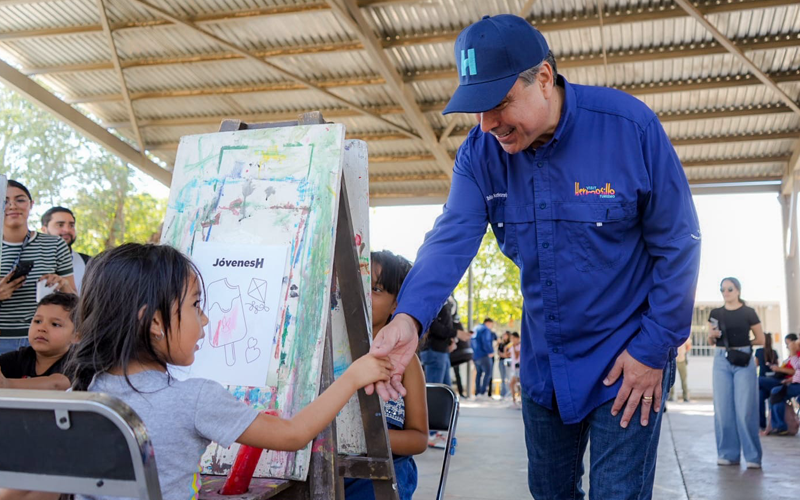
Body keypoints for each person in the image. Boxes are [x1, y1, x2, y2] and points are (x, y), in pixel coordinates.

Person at [367, 14, 701, 498]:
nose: (487, 125)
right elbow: (451, 237)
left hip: (627, 361)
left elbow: (679, 244)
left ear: (544, 78)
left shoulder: (630, 129)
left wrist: (653, 350)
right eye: (477, 109)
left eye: (499, 104)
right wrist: (408, 317)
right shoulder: (480, 153)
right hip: (546, 365)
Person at [65, 243, 393, 498]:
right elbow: (293, 434)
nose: (206, 319)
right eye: (196, 305)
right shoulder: (193, 398)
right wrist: (352, 376)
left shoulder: (79, 395)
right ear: (154, 323)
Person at [346, 250, 427, 499]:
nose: (364, 294)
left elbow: (419, 439)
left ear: (397, 304)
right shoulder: (324, 352)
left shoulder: (406, 362)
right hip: (330, 465)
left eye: (377, 289)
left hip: (383, 471)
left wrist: (361, 438)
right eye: (359, 284)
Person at [0, 181, 75, 355]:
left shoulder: (55, 245)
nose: (12, 206)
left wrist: (63, 285)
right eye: (4, 201)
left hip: (42, 342)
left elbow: (74, 300)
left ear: (31, 204)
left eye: (20, 200)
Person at [707, 277, 765, 468]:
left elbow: (760, 339)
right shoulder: (715, 313)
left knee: (745, 409)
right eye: (722, 289)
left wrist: (743, 345)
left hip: (743, 358)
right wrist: (711, 336)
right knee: (723, 409)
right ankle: (727, 453)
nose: (726, 292)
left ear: (738, 290)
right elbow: (710, 340)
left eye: (730, 289)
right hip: (720, 359)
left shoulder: (748, 312)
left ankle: (752, 457)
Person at [0, 292, 76, 391]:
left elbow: (57, 384)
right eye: (37, 321)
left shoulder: (78, 361)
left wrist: (7, 384)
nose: (42, 328)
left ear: (77, 335)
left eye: (55, 324)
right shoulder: (19, 358)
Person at [41, 206, 92, 294]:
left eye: (71, 225)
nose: (67, 230)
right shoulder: (34, 261)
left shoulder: (89, 263)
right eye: (60, 225)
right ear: (44, 230)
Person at [766, 336, 799, 435]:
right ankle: (776, 426)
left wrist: (793, 354)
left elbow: (796, 367)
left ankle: (780, 426)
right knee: (772, 392)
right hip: (792, 381)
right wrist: (790, 379)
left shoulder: (795, 354)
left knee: (775, 392)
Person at [755, 333, 781, 431]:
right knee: (760, 397)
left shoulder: (758, 351)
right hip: (772, 381)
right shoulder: (774, 352)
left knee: (756, 381)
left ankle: (762, 424)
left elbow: (755, 365)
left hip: (763, 381)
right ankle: (766, 426)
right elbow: (778, 366)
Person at [470, 318, 494, 399]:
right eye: (491, 324)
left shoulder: (476, 328)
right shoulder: (485, 330)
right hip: (484, 355)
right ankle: (483, 393)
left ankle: (478, 393)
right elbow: (486, 341)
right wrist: (490, 351)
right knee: (488, 373)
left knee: (479, 374)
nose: (491, 326)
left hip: (475, 355)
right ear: (488, 323)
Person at [669, 337, 692, 402]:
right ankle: (671, 396)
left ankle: (685, 397)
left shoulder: (684, 335)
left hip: (682, 360)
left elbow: (689, 346)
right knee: (671, 379)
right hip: (673, 359)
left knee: (684, 379)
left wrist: (684, 352)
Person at [506, 332, 522, 405]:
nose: (512, 340)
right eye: (511, 338)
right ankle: (514, 400)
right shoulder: (512, 346)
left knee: (518, 384)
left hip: (519, 367)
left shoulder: (519, 346)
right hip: (514, 367)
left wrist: (515, 347)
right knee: (513, 384)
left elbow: (516, 356)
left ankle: (518, 400)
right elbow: (507, 355)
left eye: (513, 338)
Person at [497, 331, 511, 398]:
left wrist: (504, 354)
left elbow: (509, 354)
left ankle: (508, 393)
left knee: (508, 378)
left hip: (508, 362)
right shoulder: (501, 344)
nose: (504, 336)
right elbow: (499, 352)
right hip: (501, 361)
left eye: (505, 335)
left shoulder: (510, 344)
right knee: (502, 378)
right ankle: (502, 394)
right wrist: (503, 355)